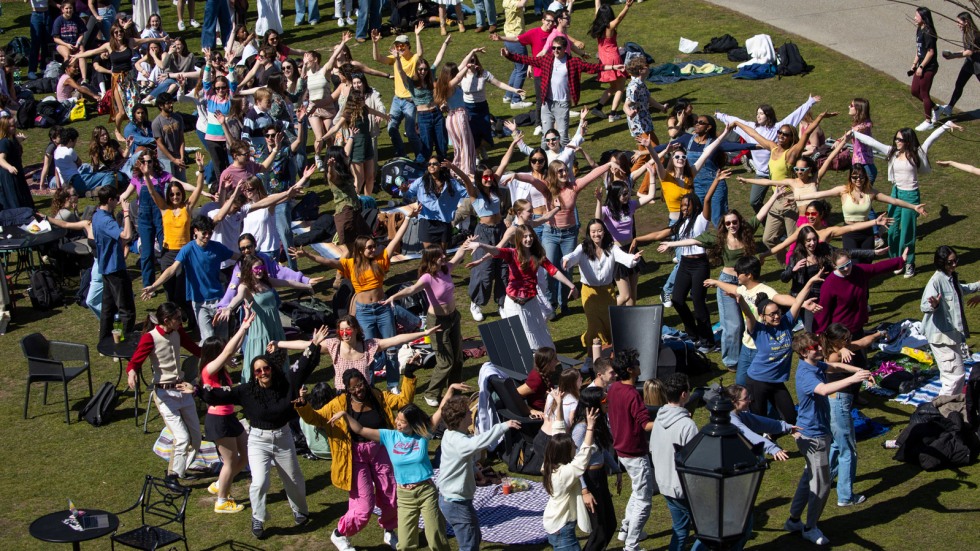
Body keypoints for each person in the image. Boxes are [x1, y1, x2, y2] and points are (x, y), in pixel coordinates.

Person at [181, 335, 324, 539]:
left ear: (271, 369)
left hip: (283, 438)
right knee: (259, 481)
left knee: (294, 479)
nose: (263, 373)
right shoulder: (246, 391)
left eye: (266, 368)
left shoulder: (285, 384)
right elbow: (220, 394)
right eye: (258, 370)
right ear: (254, 374)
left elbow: (302, 366)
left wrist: (314, 345)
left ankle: (300, 511)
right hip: (258, 441)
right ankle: (258, 518)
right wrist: (196, 390)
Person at [660, 182, 786, 372]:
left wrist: (775, 196)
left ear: (739, 222)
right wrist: (672, 245)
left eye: (734, 222)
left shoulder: (747, 232)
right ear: (724, 225)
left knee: (754, 320)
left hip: (747, 284)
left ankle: (758, 351)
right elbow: (694, 240)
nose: (732, 225)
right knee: (733, 325)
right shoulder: (719, 239)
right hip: (727, 283)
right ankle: (731, 361)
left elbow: (760, 215)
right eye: (728, 223)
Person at [295, 367, 420, 551]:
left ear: (365, 381)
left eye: (360, 385)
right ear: (347, 390)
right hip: (354, 457)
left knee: (391, 494)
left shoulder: (377, 396)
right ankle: (339, 534)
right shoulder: (338, 403)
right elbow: (317, 418)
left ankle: (389, 531)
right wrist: (303, 405)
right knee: (363, 506)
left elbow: (403, 401)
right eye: (353, 389)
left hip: (380, 450)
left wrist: (408, 375)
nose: (358, 390)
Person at [292, 210, 418, 390]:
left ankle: (393, 385)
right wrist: (308, 256)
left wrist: (409, 218)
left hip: (383, 309)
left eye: (374, 246)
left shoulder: (381, 259)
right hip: (364, 312)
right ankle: (370, 384)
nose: (373, 249)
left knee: (391, 349)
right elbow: (327, 262)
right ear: (360, 249)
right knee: (369, 350)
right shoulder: (350, 265)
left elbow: (397, 238)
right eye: (369, 247)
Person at [329, 389, 461, 551]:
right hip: (405, 496)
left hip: (426, 491)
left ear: (412, 424)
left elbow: (440, 410)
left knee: (435, 537)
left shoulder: (423, 434)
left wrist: (450, 389)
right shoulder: (389, 436)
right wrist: (344, 414)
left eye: (402, 421)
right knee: (405, 544)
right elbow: (360, 430)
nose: (397, 423)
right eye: (397, 419)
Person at [785, 332, 872, 546]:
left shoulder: (814, 365)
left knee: (809, 477)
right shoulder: (806, 374)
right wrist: (853, 379)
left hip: (816, 431)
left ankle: (794, 520)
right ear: (805, 352)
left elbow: (837, 367)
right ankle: (810, 527)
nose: (821, 348)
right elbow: (823, 390)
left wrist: (859, 371)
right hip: (813, 436)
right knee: (822, 484)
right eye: (816, 347)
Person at [852, 122, 959, 277]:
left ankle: (909, 262)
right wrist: (853, 133)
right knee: (892, 229)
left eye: (900, 139)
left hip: (911, 195)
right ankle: (896, 260)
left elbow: (931, 139)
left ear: (908, 141)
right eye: (896, 138)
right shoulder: (892, 152)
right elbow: (873, 142)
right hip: (896, 193)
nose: (896, 141)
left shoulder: (917, 152)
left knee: (908, 232)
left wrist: (946, 126)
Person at [732, 111, 835, 256]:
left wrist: (820, 117)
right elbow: (754, 135)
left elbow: (805, 135)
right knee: (768, 239)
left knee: (797, 241)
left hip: (790, 201)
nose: (780, 135)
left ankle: (803, 263)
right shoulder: (773, 148)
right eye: (780, 132)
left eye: (785, 134)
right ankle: (787, 265)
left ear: (791, 138)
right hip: (776, 198)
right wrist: (737, 123)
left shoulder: (791, 154)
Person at [383, 244, 471, 406]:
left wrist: (466, 245)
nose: (444, 257)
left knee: (458, 358)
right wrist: (393, 297)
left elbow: (458, 256)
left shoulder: (446, 269)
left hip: (454, 318)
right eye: (440, 256)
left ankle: (455, 391)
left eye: (444, 254)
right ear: (431, 260)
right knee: (446, 360)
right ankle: (431, 393)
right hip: (437, 321)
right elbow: (411, 290)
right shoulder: (427, 278)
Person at [466, 226, 579, 350]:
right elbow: (496, 250)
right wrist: (481, 245)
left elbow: (553, 270)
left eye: (531, 236)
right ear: (519, 239)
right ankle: (528, 363)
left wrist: (571, 285)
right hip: (514, 303)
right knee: (523, 337)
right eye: (525, 236)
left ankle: (541, 360)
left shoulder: (538, 255)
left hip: (531, 302)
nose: (529, 239)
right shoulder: (511, 253)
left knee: (538, 332)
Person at [126, 302, 203, 485]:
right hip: (165, 395)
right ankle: (172, 476)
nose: (180, 321)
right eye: (177, 318)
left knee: (196, 438)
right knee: (182, 438)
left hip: (182, 391)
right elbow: (135, 361)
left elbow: (195, 349)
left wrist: (219, 357)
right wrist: (131, 373)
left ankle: (180, 470)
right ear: (167, 320)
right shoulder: (150, 338)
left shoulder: (177, 332)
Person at [500, 37, 622, 147]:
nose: (555, 50)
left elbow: (593, 67)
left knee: (563, 138)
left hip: (563, 105)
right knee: (546, 138)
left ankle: (567, 163)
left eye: (558, 48)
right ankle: (545, 165)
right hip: (547, 104)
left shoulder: (573, 62)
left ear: (565, 49)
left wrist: (612, 67)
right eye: (553, 48)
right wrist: (509, 55)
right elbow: (527, 60)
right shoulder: (547, 60)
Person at [736, 270, 822, 424]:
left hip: (776, 382)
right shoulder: (758, 330)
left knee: (790, 417)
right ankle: (766, 444)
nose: (776, 316)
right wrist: (741, 300)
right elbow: (749, 315)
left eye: (778, 312)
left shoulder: (786, 322)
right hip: (757, 381)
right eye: (772, 314)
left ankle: (774, 434)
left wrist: (810, 282)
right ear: (763, 317)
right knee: (759, 420)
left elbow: (797, 302)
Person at [438, 393, 521, 551]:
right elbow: (476, 444)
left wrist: (476, 471)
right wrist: (503, 426)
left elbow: (461, 459)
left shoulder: (451, 435)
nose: (471, 413)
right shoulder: (460, 441)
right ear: (462, 419)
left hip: (455, 499)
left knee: (474, 535)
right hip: (456, 502)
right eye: (468, 412)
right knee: (469, 543)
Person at [269, 315, 438, 390]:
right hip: (342, 394)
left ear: (356, 330)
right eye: (341, 330)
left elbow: (397, 339)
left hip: (364, 392)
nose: (344, 333)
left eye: (348, 330)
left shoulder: (369, 345)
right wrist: (279, 343)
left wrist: (424, 333)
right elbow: (304, 345)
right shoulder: (333, 345)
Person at [140, 214, 238, 343]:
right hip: (199, 303)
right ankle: (208, 361)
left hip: (219, 300)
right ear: (195, 231)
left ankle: (220, 362)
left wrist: (255, 258)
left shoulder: (217, 247)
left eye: (210, 233)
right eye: (204, 233)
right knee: (208, 338)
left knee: (222, 339)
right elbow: (172, 269)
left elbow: (237, 257)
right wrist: (154, 286)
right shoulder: (188, 249)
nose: (207, 236)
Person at [216, 254, 314, 382]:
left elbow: (288, 283)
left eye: (261, 267)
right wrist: (229, 308)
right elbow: (237, 297)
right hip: (260, 330)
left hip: (275, 327)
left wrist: (306, 286)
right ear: (248, 270)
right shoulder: (245, 287)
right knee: (261, 357)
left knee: (278, 357)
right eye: (256, 269)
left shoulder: (266, 282)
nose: (260, 271)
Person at [797, 157, 925, 252]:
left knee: (866, 262)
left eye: (861, 177)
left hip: (866, 232)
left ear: (865, 177)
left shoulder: (871, 193)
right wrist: (797, 197)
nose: (858, 180)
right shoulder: (843, 191)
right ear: (850, 178)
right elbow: (819, 194)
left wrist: (914, 207)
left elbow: (894, 201)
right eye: (855, 177)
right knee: (854, 262)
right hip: (849, 232)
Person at [715, 95, 819, 211]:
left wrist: (810, 102)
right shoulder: (752, 127)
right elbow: (736, 121)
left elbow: (795, 115)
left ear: (768, 116)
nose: (758, 116)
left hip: (779, 172)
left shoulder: (778, 128)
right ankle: (765, 218)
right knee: (754, 201)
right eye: (757, 113)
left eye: (761, 113)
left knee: (786, 202)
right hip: (761, 173)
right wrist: (720, 115)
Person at [726, 383, 797, 551]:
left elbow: (758, 422)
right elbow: (748, 434)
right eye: (746, 398)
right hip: (733, 475)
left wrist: (785, 427)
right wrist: (773, 448)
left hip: (737, 473)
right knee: (744, 524)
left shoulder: (738, 413)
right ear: (734, 401)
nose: (750, 400)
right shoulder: (732, 420)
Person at [199, 308, 256, 513]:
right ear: (215, 353)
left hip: (229, 417)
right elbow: (228, 352)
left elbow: (233, 348)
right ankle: (222, 501)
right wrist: (242, 327)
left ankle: (220, 483)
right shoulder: (209, 370)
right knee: (230, 461)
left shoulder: (220, 369)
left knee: (245, 456)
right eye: (221, 349)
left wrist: (246, 326)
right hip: (218, 421)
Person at [820, 323, 884, 507]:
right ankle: (845, 496)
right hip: (838, 402)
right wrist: (847, 361)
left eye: (848, 338)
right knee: (848, 449)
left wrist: (880, 333)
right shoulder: (833, 353)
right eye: (845, 339)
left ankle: (827, 478)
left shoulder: (841, 347)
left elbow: (863, 341)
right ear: (834, 340)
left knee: (837, 444)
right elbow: (829, 365)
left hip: (838, 402)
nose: (848, 341)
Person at [562, 218, 642, 347]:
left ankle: (607, 354)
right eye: (593, 231)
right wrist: (566, 260)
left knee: (607, 324)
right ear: (589, 233)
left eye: (599, 231)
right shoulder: (582, 248)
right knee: (594, 325)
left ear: (604, 232)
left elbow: (625, 258)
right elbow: (572, 256)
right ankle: (590, 357)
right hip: (589, 293)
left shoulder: (611, 247)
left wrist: (634, 258)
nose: (596, 234)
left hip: (607, 292)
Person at [650, 373, 705, 551]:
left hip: (665, 483)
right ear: (684, 394)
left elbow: (653, 448)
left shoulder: (659, 418)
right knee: (707, 530)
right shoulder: (687, 425)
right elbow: (695, 460)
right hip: (682, 488)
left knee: (681, 529)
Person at [605, 349, 653, 551]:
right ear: (630, 370)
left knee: (637, 490)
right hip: (635, 454)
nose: (640, 367)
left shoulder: (614, 388)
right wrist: (668, 419)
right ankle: (631, 545)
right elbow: (645, 425)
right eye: (637, 364)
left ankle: (626, 528)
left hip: (622, 452)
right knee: (644, 501)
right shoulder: (633, 394)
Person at [921, 246, 979, 396]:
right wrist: (934, 305)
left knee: (958, 377)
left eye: (955, 261)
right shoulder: (936, 281)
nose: (954, 265)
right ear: (941, 263)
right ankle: (941, 412)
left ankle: (950, 411)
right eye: (950, 262)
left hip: (950, 336)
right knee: (953, 378)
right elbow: (924, 305)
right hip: (940, 337)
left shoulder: (951, 277)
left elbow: (961, 289)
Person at [541, 404, 599, 550]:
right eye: (573, 446)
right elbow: (584, 457)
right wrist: (590, 427)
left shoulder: (548, 465)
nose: (575, 447)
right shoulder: (564, 474)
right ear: (565, 452)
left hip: (555, 525)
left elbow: (557, 434)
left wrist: (559, 404)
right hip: (562, 529)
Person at [569, 386, 619, 551]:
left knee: (610, 523)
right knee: (599, 529)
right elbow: (575, 462)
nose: (608, 402)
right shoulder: (581, 430)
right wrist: (584, 491)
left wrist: (616, 469)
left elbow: (603, 451)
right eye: (604, 399)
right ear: (593, 403)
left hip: (600, 477)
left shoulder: (598, 423)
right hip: (589, 479)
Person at [403, 158, 475, 250]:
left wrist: (470, 182)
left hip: (444, 222)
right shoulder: (421, 181)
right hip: (426, 221)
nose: (431, 166)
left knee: (442, 255)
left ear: (441, 166)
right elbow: (408, 194)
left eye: (434, 164)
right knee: (430, 255)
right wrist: (404, 191)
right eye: (429, 164)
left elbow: (468, 193)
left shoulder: (451, 183)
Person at [93, 185, 135, 341]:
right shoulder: (106, 221)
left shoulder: (97, 216)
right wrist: (126, 213)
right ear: (109, 200)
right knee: (126, 309)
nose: (118, 201)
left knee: (108, 308)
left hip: (105, 268)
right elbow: (126, 235)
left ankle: (104, 340)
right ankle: (125, 341)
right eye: (116, 199)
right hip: (115, 268)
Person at [373, 31, 423, 160]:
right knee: (391, 128)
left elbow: (420, 54)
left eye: (402, 45)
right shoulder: (395, 58)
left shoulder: (413, 58)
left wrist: (417, 35)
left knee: (411, 132)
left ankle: (421, 158)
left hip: (410, 101)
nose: (399, 48)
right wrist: (375, 43)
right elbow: (377, 58)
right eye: (397, 46)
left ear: (408, 46)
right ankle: (402, 153)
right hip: (397, 100)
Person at [586, 0, 632, 122]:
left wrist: (597, 1)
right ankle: (613, 114)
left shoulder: (597, 24)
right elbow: (620, 17)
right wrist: (627, 6)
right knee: (620, 87)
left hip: (603, 59)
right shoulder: (610, 26)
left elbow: (597, 8)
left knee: (613, 87)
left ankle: (598, 107)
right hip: (613, 58)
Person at [937, 13, 980, 118]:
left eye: (959, 22)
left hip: (978, 65)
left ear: (966, 22)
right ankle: (949, 107)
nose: (957, 24)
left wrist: (953, 56)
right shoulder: (966, 32)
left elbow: (969, 52)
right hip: (970, 63)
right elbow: (966, 51)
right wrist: (954, 54)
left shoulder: (974, 35)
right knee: (959, 84)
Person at [909, 6, 940, 131]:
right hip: (920, 65)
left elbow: (930, 52)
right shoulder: (919, 29)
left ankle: (928, 121)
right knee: (914, 91)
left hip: (929, 67)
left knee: (924, 92)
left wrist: (922, 66)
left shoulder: (928, 32)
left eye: (917, 15)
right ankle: (936, 108)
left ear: (923, 17)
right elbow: (919, 49)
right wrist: (914, 63)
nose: (915, 18)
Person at [0, 116, 34, 211]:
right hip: (10, 174)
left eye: (15, 125)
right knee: (15, 198)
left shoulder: (12, 140)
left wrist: (19, 141)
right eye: (12, 126)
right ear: (5, 127)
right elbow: (1, 159)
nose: (14, 127)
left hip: (17, 172)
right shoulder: (4, 142)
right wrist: (9, 167)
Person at [152, 93, 186, 181]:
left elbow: (181, 138)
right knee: (169, 185)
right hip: (165, 159)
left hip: (178, 156)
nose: (171, 105)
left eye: (171, 102)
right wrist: (173, 160)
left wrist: (181, 157)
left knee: (183, 183)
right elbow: (159, 143)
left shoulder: (178, 118)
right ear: (161, 106)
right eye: (168, 103)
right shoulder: (156, 123)